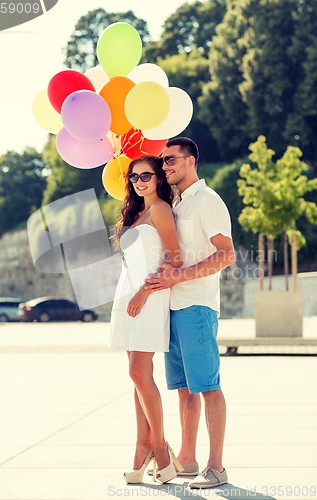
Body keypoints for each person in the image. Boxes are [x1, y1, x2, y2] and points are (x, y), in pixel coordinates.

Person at [144, 137, 236, 489]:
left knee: (208, 387)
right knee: (184, 389)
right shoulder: (177, 203)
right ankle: (188, 458)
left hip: (196, 306)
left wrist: (179, 277)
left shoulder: (207, 201)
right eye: (162, 161)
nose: (165, 166)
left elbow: (227, 255)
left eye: (170, 160)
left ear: (190, 161)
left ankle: (217, 467)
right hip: (173, 308)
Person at [109, 155, 183, 484]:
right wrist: (131, 293)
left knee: (138, 371)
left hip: (149, 297)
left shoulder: (161, 210)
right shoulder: (136, 212)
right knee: (138, 378)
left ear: (158, 178)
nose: (140, 181)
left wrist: (143, 292)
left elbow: (175, 258)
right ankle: (142, 449)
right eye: (135, 176)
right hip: (127, 294)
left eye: (147, 175)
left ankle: (162, 450)